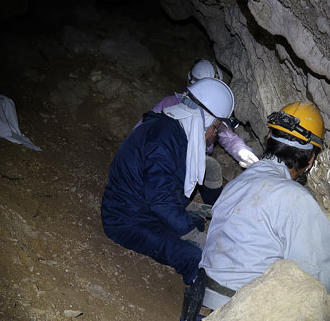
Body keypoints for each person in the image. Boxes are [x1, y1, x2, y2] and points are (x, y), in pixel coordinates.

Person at [181, 101, 330, 321]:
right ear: (310, 159)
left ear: (269, 138)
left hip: (200, 302)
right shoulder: (296, 198)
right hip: (240, 315)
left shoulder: (238, 183)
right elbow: (325, 277)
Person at [100, 78, 235, 285]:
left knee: (193, 225)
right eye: (215, 128)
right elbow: (161, 200)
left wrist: (189, 212)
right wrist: (194, 237)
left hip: (141, 207)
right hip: (126, 219)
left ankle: (187, 223)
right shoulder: (164, 139)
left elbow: (165, 182)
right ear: (204, 119)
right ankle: (194, 316)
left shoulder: (175, 130)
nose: (214, 135)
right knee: (197, 256)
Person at [137, 59, 259, 205]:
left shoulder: (213, 116)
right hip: (168, 156)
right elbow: (142, 130)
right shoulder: (170, 104)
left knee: (210, 167)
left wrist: (244, 153)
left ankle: (215, 208)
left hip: (197, 160)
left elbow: (229, 138)